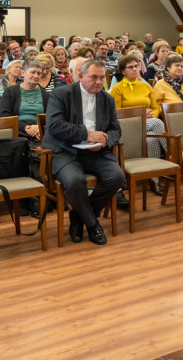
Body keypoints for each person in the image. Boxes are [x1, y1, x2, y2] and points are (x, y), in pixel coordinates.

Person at [41, 59, 126, 246]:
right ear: (80, 76)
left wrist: (103, 141)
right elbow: (54, 126)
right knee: (75, 181)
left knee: (117, 177)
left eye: (102, 78)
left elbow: (115, 129)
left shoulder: (107, 99)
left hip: (96, 152)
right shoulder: (62, 94)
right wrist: (87, 134)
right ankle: (92, 224)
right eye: (94, 77)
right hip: (65, 151)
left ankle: (78, 216)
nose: (99, 82)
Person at [109, 52, 166, 164]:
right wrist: (140, 114)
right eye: (131, 67)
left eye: (136, 66)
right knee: (157, 123)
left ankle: (154, 171)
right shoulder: (117, 88)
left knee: (152, 139)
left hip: (148, 122)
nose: (135, 69)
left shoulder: (145, 86)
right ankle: (173, 152)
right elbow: (116, 112)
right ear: (123, 71)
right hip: (127, 123)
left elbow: (155, 108)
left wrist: (151, 115)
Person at [0, 58, 48, 144]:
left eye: (39, 73)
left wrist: (38, 127)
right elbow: (4, 115)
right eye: (33, 72)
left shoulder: (45, 94)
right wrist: (25, 127)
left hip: (39, 131)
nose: (36, 76)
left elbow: (50, 116)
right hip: (18, 130)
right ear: (22, 73)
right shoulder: (11, 91)